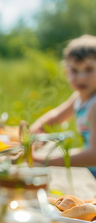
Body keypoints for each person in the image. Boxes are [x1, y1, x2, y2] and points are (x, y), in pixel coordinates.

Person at [31, 35, 96, 177]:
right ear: (66, 72)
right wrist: (33, 135)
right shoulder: (79, 97)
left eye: (89, 69)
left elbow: (93, 155)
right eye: (74, 70)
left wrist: (42, 160)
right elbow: (53, 118)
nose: (81, 77)